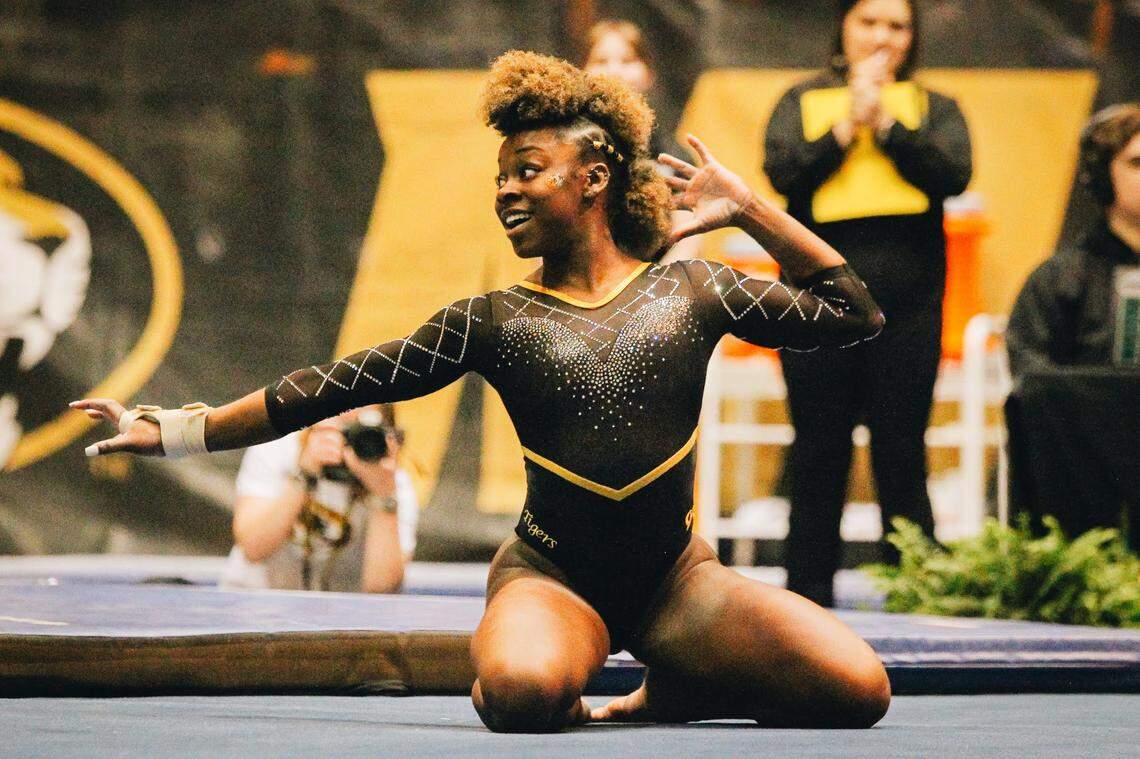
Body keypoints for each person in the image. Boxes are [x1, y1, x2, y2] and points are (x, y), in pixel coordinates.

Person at [74, 51, 889, 732]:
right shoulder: (493, 320)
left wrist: (746, 208)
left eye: (528, 171)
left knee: (860, 689)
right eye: (501, 176)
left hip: (677, 581)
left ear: (595, 177)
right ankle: (591, 667)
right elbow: (328, 387)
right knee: (520, 695)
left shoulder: (693, 290)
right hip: (554, 575)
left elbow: (854, 310)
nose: (506, 190)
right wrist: (183, 429)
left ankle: (666, 684)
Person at [763, 0, 971, 607]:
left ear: (912, 38)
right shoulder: (800, 99)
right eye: (869, 22)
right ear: (844, 28)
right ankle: (805, 595)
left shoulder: (937, 107)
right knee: (818, 446)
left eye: (897, 25)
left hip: (908, 308)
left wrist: (887, 127)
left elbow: (954, 174)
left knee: (902, 446)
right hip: (816, 305)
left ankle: (920, 592)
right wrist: (842, 129)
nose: (883, 36)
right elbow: (783, 173)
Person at [1005, 103, 1140, 541]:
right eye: (1137, 163)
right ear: (1103, 176)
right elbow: (1032, 378)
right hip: (1084, 470)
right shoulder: (1059, 279)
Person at [220, 403, 418, 593]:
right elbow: (253, 549)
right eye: (343, 426)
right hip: (255, 600)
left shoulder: (394, 484)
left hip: (341, 617)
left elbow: (381, 587)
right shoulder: (277, 451)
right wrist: (303, 474)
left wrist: (383, 495)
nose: (347, 444)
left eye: (362, 431)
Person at [582, 19, 702, 264]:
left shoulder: (671, 154)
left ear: (649, 73)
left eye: (627, 60)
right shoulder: (563, 146)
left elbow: (689, 234)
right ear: (581, 70)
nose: (614, 71)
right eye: (601, 61)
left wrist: (658, 288)